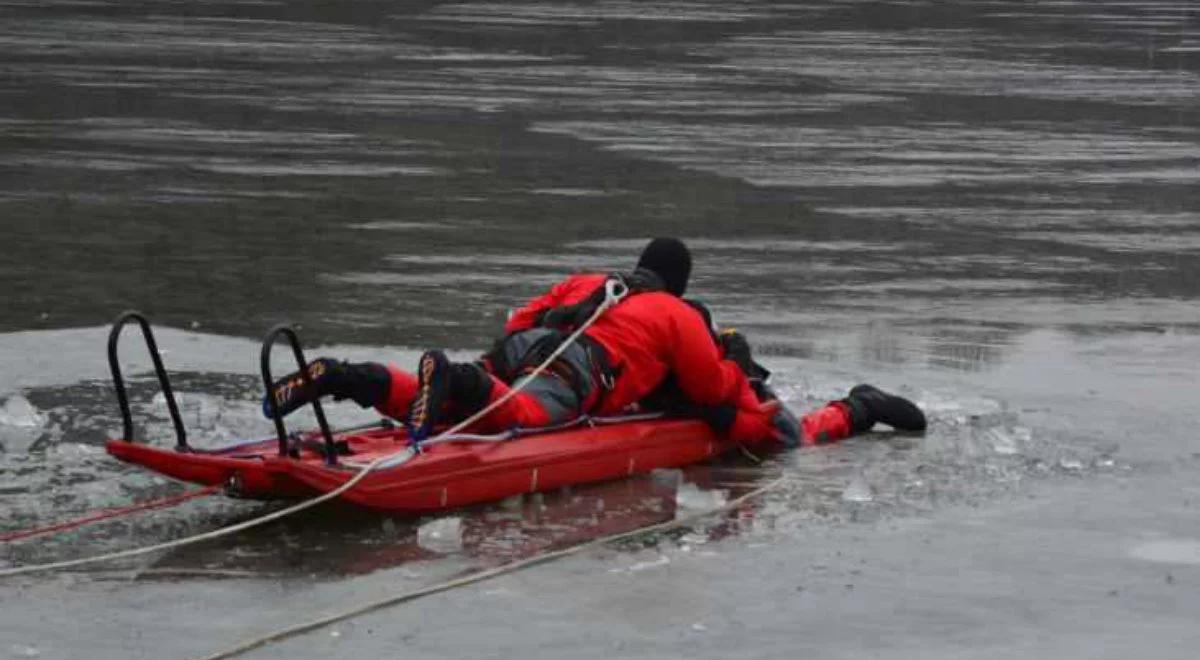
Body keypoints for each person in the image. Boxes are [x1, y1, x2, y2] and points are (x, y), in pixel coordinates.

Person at [264, 237, 925, 446]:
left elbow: (523, 320)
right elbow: (714, 390)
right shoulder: (676, 316)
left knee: (463, 396)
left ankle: (347, 377)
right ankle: (859, 408)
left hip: (521, 354)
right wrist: (750, 411)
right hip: (574, 376)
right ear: (681, 284)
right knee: (515, 413)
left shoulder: (592, 281)